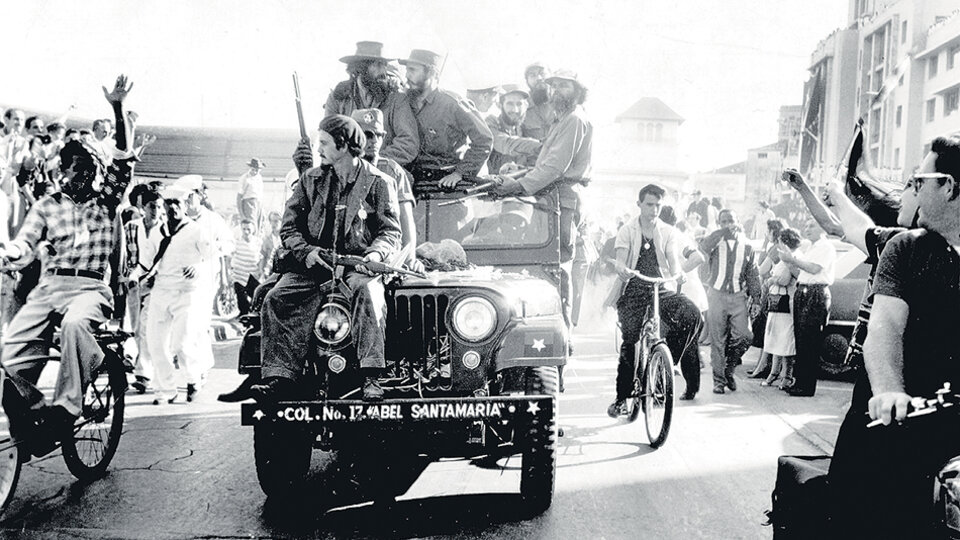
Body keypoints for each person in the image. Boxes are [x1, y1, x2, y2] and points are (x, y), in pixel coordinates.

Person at [829, 137, 960, 539]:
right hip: (893, 422)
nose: (914, 189)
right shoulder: (906, 248)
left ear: (949, 187)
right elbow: (884, 327)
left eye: (919, 180)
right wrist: (888, 390)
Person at [0, 75, 135, 452]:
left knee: (76, 325)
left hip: (90, 287)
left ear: (91, 170)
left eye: (76, 167)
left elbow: (123, 162)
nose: (68, 173)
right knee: (8, 353)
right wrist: (7, 254)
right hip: (50, 287)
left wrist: (117, 109)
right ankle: (33, 409)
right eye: (65, 166)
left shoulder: (106, 201)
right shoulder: (47, 204)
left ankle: (65, 409)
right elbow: (24, 244)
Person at [251, 115, 401, 402]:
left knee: (368, 293)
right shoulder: (310, 180)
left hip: (357, 267)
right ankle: (280, 378)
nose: (318, 149)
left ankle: (371, 377)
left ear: (343, 146)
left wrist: (375, 253)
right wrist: (306, 252)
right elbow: (289, 227)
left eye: (324, 143)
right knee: (276, 298)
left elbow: (390, 231)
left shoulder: (380, 183)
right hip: (314, 267)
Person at [494, 68, 592, 341]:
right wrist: (518, 173)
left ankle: (560, 339)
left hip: (562, 198)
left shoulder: (573, 119)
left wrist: (518, 185)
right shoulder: (562, 120)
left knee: (557, 268)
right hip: (552, 196)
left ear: (578, 90)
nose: (558, 91)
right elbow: (545, 163)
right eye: (555, 86)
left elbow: (554, 167)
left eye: (565, 86)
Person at [605, 184, 703, 415]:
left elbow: (672, 260)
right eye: (649, 204)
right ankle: (621, 399)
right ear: (639, 204)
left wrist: (678, 272)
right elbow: (620, 261)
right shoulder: (627, 230)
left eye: (658, 205)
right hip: (634, 287)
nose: (654, 209)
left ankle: (664, 364)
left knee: (692, 315)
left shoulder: (668, 231)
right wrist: (622, 269)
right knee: (631, 343)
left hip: (660, 287)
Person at [144, 184, 217, 404]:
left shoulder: (196, 231)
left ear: (184, 206)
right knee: (156, 343)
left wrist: (199, 268)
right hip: (161, 291)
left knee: (181, 343)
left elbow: (212, 257)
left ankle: (193, 379)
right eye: (169, 203)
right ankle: (166, 389)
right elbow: (146, 260)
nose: (173, 208)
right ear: (164, 207)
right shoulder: (158, 232)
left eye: (177, 203)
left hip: (188, 293)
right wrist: (134, 277)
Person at [400, 48, 493, 192]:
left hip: (445, 185)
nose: (407, 75)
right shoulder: (403, 103)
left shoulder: (452, 104)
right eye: (407, 70)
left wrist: (460, 173)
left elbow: (484, 140)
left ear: (432, 72)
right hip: (412, 182)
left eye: (412, 70)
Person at [350, 108, 423, 273]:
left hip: (385, 253)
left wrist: (409, 258)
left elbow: (405, 220)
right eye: (367, 135)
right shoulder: (343, 169)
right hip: (352, 255)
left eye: (379, 135)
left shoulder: (393, 171)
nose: (374, 140)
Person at [324, 41, 420, 166]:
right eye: (378, 65)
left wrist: (375, 160)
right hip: (347, 168)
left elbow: (408, 142)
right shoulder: (338, 98)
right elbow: (327, 138)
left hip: (384, 168)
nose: (384, 71)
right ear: (361, 68)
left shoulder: (396, 98)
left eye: (385, 65)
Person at [699, 209, 761, 394]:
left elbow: (753, 273)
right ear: (719, 223)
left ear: (737, 221)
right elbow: (702, 248)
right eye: (723, 221)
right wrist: (720, 232)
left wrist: (756, 298)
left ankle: (729, 368)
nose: (727, 224)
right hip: (716, 295)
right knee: (718, 341)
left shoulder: (747, 245)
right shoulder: (715, 241)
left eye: (730, 220)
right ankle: (719, 382)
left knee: (745, 336)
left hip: (737, 296)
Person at [777, 217, 835, 397]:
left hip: (816, 293)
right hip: (804, 291)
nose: (807, 229)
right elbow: (801, 272)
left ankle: (806, 385)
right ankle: (799, 382)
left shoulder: (826, 247)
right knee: (801, 339)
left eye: (812, 226)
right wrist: (788, 261)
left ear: (822, 228)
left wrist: (792, 259)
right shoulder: (810, 247)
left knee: (810, 340)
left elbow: (814, 269)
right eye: (807, 225)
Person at [125, 187, 164, 394]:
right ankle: (148, 367)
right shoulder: (132, 227)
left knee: (146, 326)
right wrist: (128, 277)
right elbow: (124, 256)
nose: (155, 211)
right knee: (136, 328)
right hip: (133, 283)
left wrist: (153, 277)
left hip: (156, 284)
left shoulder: (166, 230)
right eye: (152, 207)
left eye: (159, 207)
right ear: (144, 207)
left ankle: (143, 373)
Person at [760, 227, 801, 388]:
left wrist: (771, 280)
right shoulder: (785, 257)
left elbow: (784, 279)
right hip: (778, 303)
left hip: (786, 303)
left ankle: (786, 376)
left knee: (785, 341)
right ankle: (774, 373)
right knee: (776, 339)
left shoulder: (793, 257)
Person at [485, 85, 542, 175]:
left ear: (526, 106)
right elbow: (505, 143)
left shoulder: (523, 128)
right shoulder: (491, 123)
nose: (515, 110)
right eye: (510, 104)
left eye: (519, 104)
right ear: (500, 106)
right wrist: (541, 146)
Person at [230, 219, 262, 315]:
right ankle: (243, 317)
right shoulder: (236, 242)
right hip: (239, 275)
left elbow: (261, 258)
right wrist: (229, 271)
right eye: (244, 229)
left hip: (252, 275)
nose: (246, 231)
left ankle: (255, 318)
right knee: (242, 300)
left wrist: (260, 270)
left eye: (248, 229)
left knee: (257, 297)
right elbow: (229, 256)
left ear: (253, 229)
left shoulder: (258, 242)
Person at [522, 62, 554, 142]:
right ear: (527, 81)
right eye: (533, 75)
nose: (539, 78)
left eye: (542, 73)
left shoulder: (564, 104)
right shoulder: (521, 108)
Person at [237, 158, 265, 231]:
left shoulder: (259, 177)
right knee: (251, 226)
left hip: (259, 204)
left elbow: (260, 194)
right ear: (250, 168)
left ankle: (258, 241)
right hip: (249, 204)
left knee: (260, 226)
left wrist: (262, 208)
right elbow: (239, 197)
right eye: (253, 169)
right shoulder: (244, 178)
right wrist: (242, 214)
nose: (255, 172)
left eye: (257, 170)